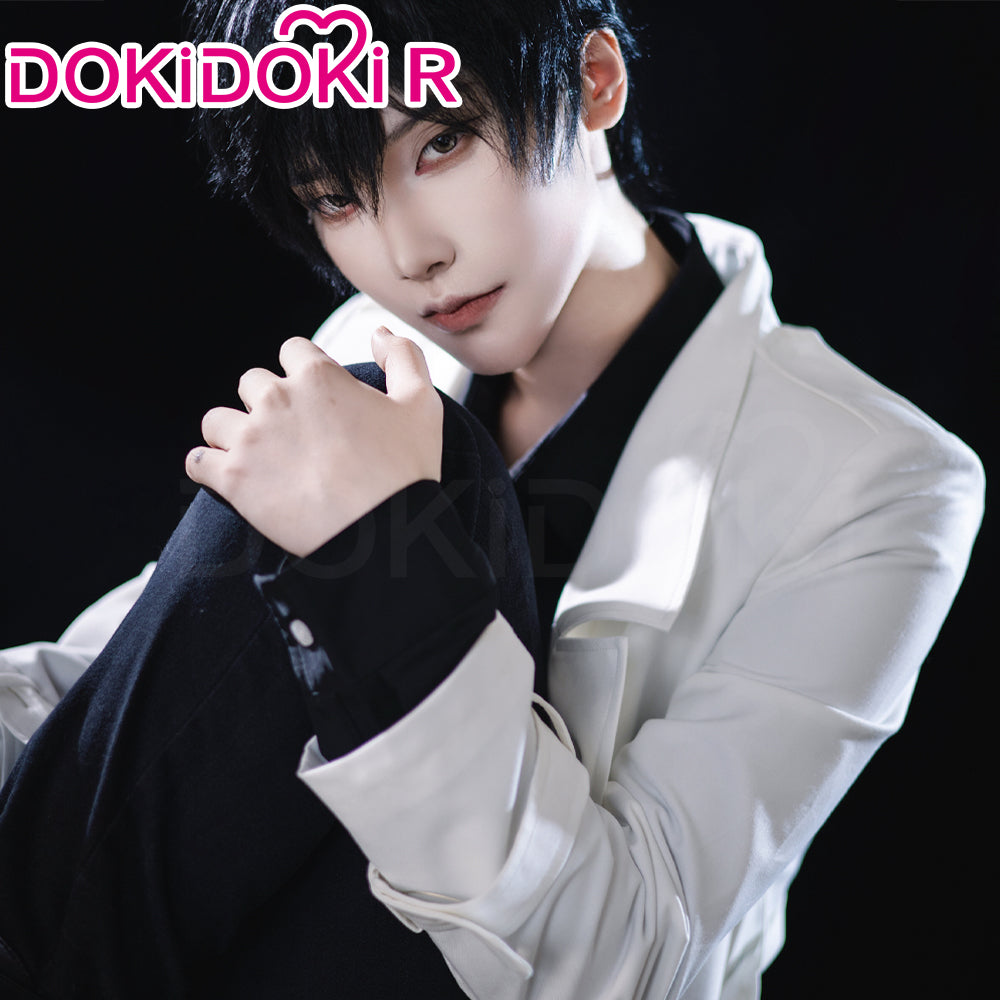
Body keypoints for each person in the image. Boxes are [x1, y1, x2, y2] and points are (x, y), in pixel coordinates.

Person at [0, 1, 985, 998]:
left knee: (421, 486)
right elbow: (122, 706)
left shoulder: (880, 480)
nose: (409, 255)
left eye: (442, 143)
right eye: (335, 198)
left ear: (594, 81)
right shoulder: (369, 343)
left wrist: (387, 567)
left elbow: (628, 959)